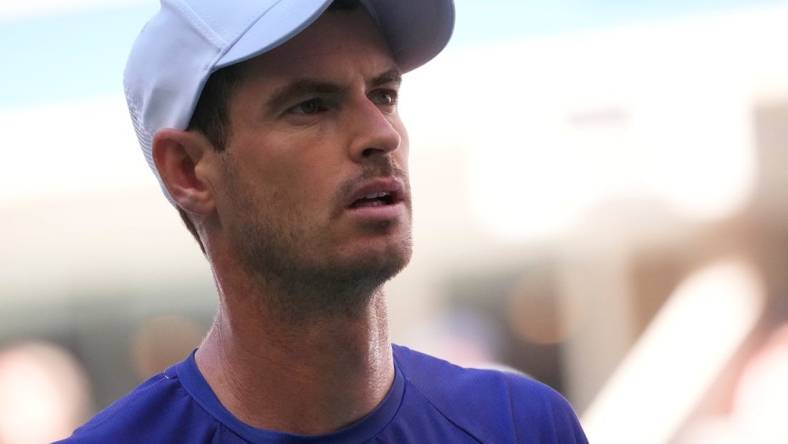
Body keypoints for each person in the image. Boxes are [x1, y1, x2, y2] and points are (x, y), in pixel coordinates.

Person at [59, 0, 588, 442]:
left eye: (384, 94)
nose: (381, 134)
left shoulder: (519, 426)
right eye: (310, 106)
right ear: (189, 170)